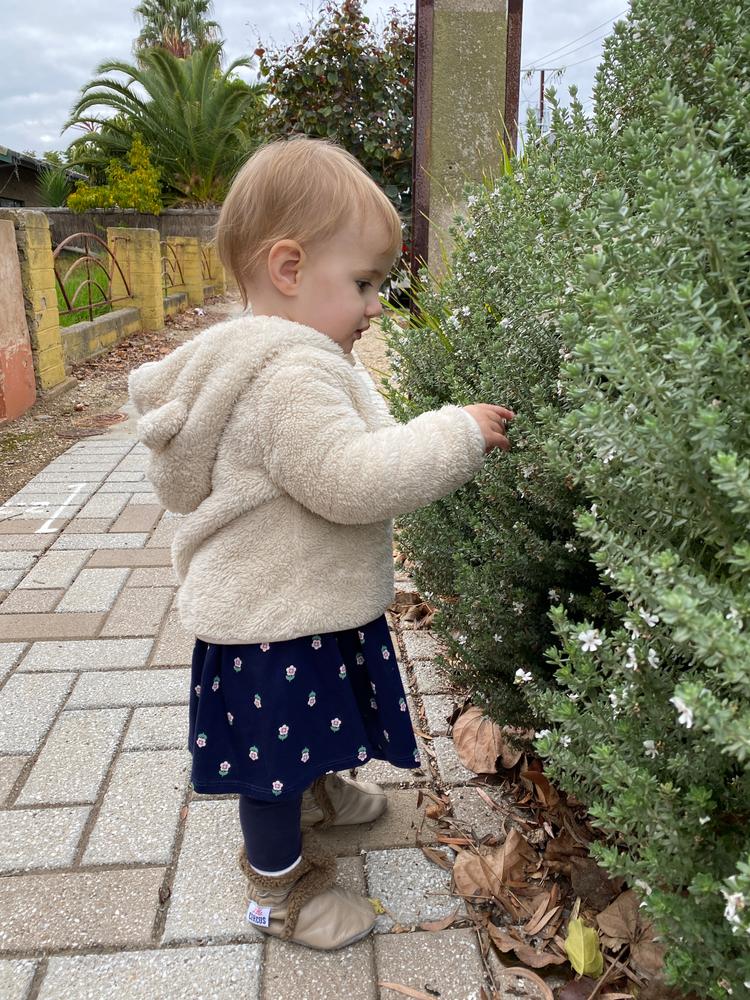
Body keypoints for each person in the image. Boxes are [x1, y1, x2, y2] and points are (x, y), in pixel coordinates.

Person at [129, 136, 513, 951]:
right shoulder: (288, 377)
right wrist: (457, 434)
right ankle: (278, 891)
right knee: (269, 761)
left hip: (293, 602)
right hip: (272, 624)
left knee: (305, 726)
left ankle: (317, 791)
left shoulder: (282, 354)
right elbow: (356, 478)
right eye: (365, 283)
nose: (376, 304)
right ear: (291, 269)